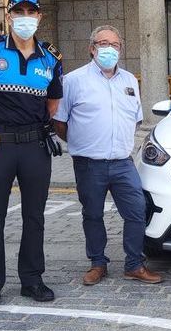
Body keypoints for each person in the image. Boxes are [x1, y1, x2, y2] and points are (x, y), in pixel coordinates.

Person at [0, 0, 63, 311]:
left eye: (31, 11)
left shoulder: (51, 58)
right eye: (18, 10)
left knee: (34, 217)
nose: (25, 16)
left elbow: (52, 103)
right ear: (9, 16)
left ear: (40, 17)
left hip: (35, 146)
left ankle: (32, 279)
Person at [54, 25, 163, 286]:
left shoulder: (129, 81)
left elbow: (135, 120)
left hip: (123, 163)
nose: (109, 49)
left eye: (114, 45)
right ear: (92, 49)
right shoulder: (73, 81)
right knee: (92, 214)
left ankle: (134, 264)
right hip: (89, 163)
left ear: (120, 49)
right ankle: (98, 263)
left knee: (137, 211)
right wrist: (84, 141)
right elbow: (59, 122)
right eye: (103, 43)